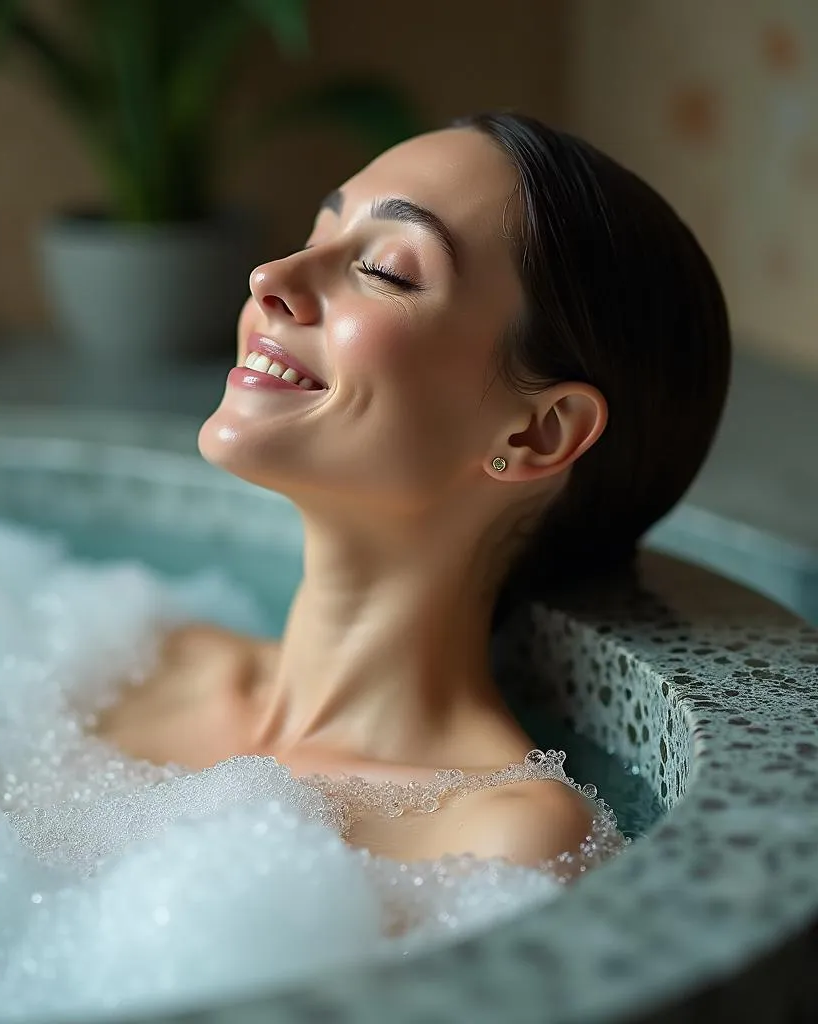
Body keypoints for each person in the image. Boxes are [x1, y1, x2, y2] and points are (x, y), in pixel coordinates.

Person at [96, 113, 730, 868]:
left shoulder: (495, 844)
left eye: (387, 269)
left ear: (538, 434)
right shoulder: (123, 658)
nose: (271, 277)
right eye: (318, 231)